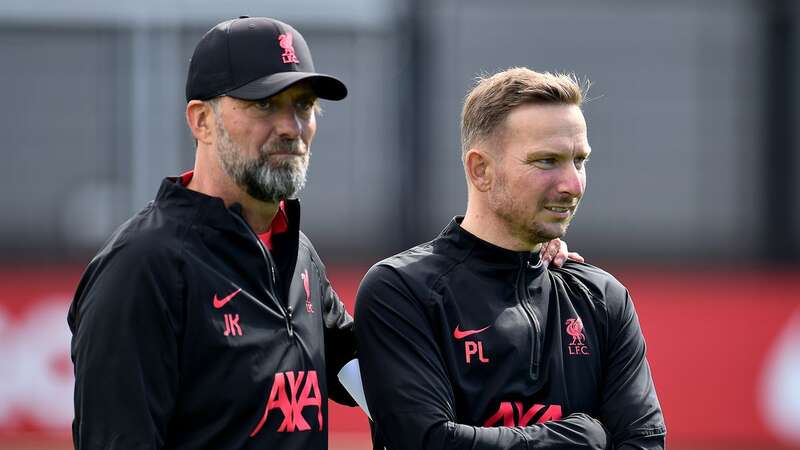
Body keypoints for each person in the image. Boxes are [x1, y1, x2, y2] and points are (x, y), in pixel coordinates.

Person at [67, 17, 578, 450]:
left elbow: (379, 372)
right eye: (264, 105)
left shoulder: (295, 253)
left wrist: (515, 265)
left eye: (304, 105)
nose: (292, 126)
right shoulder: (142, 267)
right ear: (201, 121)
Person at [354, 68, 666, 449]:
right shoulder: (402, 289)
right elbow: (427, 442)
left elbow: (644, 442)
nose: (572, 185)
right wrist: (578, 439)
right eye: (547, 161)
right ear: (480, 169)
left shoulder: (603, 298)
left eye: (579, 160)